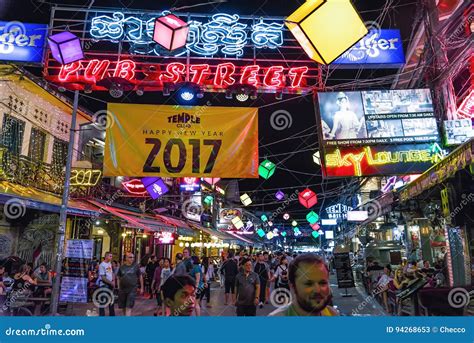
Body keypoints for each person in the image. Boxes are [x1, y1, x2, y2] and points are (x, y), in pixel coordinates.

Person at [269, 254, 338, 316]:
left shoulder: (332, 314)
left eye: (322, 283)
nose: (317, 290)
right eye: (309, 284)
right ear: (293, 286)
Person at [97, 252, 115, 316]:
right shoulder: (102, 265)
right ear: (106, 256)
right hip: (104, 285)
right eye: (110, 256)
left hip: (110, 284)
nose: (111, 257)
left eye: (111, 256)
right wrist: (111, 283)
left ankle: (112, 315)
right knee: (103, 301)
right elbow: (103, 277)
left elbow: (111, 273)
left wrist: (113, 280)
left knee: (111, 301)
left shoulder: (109, 264)